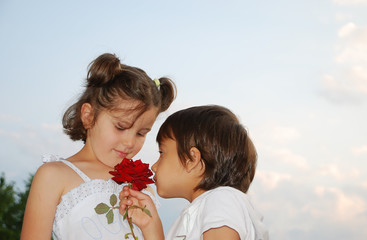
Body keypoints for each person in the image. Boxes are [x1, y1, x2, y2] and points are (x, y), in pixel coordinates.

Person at [20, 53, 176, 240]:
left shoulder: (142, 187)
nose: (130, 142)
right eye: (120, 127)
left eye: (141, 133)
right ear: (89, 116)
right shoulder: (54, 175)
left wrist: (152, 226)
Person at [119, 105, 269, 240]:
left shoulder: (221, 199)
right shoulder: (204, 209)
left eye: (162, 153)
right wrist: (151, 227)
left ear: (192, 159)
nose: (154, 166)